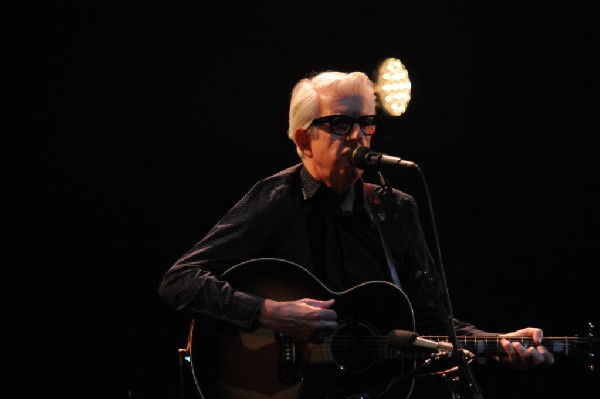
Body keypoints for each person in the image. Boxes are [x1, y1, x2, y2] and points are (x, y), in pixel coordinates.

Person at [158, 70, 555, 399]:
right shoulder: (277, 199)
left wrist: (496, 341)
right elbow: (179, 281)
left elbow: (431, 319)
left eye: (366, 123)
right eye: (340, 124)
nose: (357, 136)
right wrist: (268, 313)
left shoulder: (396, 209)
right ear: (303, 139)